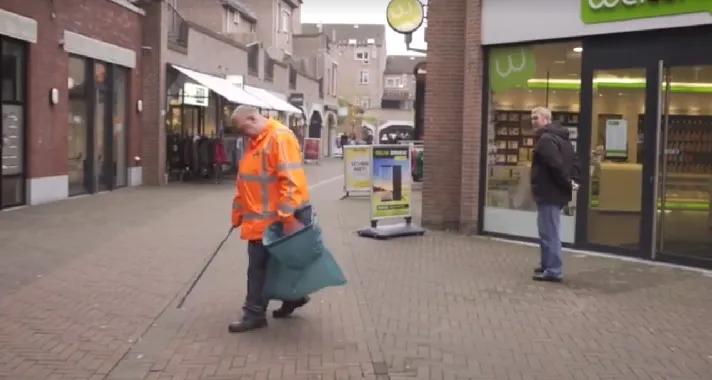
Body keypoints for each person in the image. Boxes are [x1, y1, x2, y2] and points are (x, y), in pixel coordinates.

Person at [229, 106, 311, 333]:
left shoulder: (278, 138)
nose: (243, 134)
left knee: (258, 268)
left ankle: (254, 314)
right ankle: (293, 297)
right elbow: (246, 182)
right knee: (278, 264)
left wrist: (287, 218)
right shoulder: (257, 141)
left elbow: (291, 181)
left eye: (244, 127)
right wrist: (237, 213)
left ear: (253, 118)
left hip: (278, 217)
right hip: (265, 218)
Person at [529, 107, 580, 282]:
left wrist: (568, 181)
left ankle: (553, 270)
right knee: (547, 230)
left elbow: (556, 164)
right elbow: (574, 162)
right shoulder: (563, 139)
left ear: (546, 119)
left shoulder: (545, 140)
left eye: (536, 118)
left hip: (548, 192)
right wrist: (573, 181)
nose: (533, 121)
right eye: (532, 118)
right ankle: (546, 264)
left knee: (549, 231)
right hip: (556, 192)